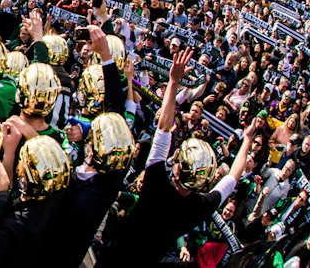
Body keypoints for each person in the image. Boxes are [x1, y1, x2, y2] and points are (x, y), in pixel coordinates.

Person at [94, 48, 255, 268]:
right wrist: (247, 140)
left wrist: (173, 82)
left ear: (178, 171)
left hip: (114, 258)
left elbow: (163, 129)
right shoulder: (198, 208)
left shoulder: (156, 181)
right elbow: (232, 178)